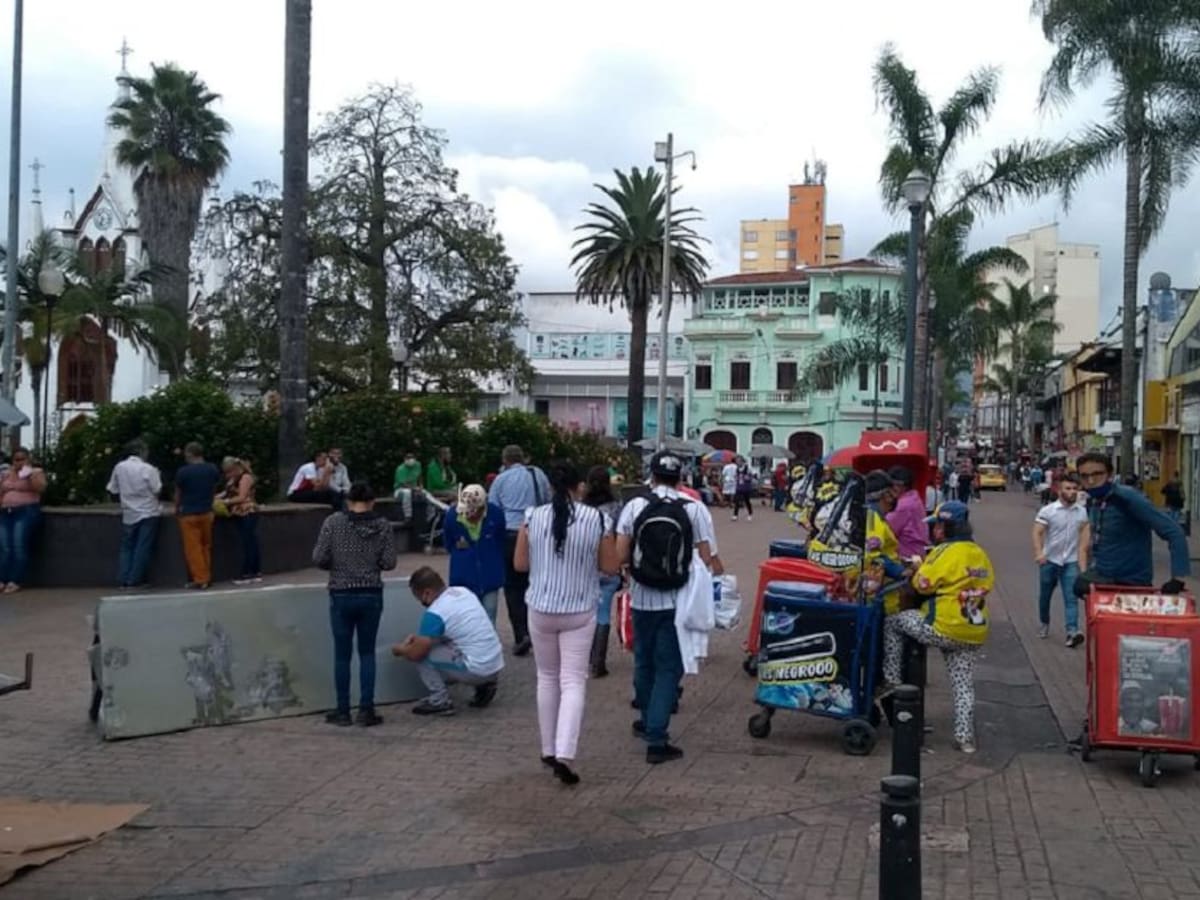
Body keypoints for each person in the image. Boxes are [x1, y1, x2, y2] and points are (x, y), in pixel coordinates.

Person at [514, 461, 619, 785]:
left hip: (540, 607)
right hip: (579, 609)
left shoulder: (532, 517)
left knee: (546, 677)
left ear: (550, 487)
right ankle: (565, 752)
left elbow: (519, 564)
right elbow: (610, 566)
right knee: (573, 680)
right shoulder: (599, 518)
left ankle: (547, 747)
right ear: (581, 486)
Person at [616, 451, 716, 765]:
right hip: (679, 601)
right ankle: (657, 739)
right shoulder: (695, 509)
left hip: (641, 597)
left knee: (644, 661)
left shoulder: (634, 506)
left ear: (653, 476)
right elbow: (707, 556)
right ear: (681, 478)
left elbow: (620, 554)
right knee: (668, 667)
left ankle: (646, 719)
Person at [882, 501, 993, 754]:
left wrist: (919, 566)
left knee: (893, 622)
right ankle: (964, 739)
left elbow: (922, 584)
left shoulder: (944, 552)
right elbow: (988, 582)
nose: (933, 531)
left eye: (936, 526)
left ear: (944, 528)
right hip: (973, 631)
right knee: (963, 684)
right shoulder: (979, 552)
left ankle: (890, 678)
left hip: (942, 626)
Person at [312, 482, 397, 727]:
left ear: (348, 500)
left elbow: (319, 557)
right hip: (371, 594)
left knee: (342, 655)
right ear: (372, 502)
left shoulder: (333, 523)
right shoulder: (383, 526)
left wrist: (338, 565)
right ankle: (366, 710)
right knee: (367, 652)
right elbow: (389, 562)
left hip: (341, 593)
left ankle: (342, 711)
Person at [1074, 452, 1191, 598]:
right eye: (1084, 476)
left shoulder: (1127, 498)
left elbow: (1174, 532)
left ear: (1110, 474)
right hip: (1103, 580)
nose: (1091, 481)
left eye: (1097, 474)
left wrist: (1178, 578)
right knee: (1078, 585)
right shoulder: (1094, 501)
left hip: (1131, 586)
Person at [392, 566, 504, 716]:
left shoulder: (435, 612)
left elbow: (416, 653)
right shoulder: (463, 592)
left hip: (476, 669)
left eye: (419, 598)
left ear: (427, 593)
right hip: (495, 664)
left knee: (423, 655)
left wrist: (399, 649)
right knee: (442, 644)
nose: (421, 603)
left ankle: (440, 701)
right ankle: (485, 685)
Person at [488, 444, 551, 657]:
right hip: (534, 531)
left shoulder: (500, 480)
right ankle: (538, 631)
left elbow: (493, 510)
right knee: (535, 582)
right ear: (522, 458)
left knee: (513, 588)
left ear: (505, 460)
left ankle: (521, 633)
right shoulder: (537, 473)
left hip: (510, 534)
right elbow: (547, 500)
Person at [1032, 473, 1089, 647]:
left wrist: (1083, 567)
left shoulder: (1082, 512)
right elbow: (1037, 532)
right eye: (1068, 488)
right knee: (1045, 596)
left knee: (1071, 598)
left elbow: (1084, 542)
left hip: (1070, 561)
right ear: (1059, 490)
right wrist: (1039, 553)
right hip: (1050, 560)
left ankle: (1072, 632)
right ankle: (1044, 623)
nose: (1072, 492)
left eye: (1074, 489)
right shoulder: (1048, 511)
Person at [443, 484, 507, 623]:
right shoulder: (452, 516)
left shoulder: (496, 515)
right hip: (463, 578)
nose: (468, 514)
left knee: (489, 616)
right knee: (466, 619)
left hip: (490, 576)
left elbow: (501, 540)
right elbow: (448, 544)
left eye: (473, 511)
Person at [583, 465, 623, 678]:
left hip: (584, 565)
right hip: (608, 564)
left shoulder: (581, 507)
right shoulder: (616, 506)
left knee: (585, 611)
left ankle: (584, 655)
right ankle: (598, 661)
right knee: (604, 611)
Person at [106, 440, 163, 589]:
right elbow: (157, 489)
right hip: (148, 511)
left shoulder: (119, 467)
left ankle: (123, 578)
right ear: (142, 452)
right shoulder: (149, 469)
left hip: (128, 512)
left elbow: (113, 489)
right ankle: (134, 580)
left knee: (127, 546)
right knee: (142, 546)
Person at [174, 442, 221, 590]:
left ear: (189, 454)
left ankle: (201, 579)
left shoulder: (183, 472)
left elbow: (178, 493)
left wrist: (176, 509)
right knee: (206, 546)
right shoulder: (212, 469)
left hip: (188, 513)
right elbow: (214, 488)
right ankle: (206, 576)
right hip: (207, 512)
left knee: (193, 549)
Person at [0, 447, 46, 592]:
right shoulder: (6, 474)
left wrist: (28, 474)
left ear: (28, 459)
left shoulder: (35, 472)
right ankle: (2, 578)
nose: (19, 462)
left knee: (18, 544)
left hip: (25, 511)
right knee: (5, 547)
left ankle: (15, 579)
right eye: (16, 459)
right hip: (6, 512)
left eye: (22, 459)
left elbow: (40, 488)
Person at [221, 457, 262, 585]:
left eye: (230, 471)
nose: (228, 475)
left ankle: (249, 571)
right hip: (238, 513)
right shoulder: (233, 479)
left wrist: (225, 502)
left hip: (247, 511)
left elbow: (242, 496)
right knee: (248, 541)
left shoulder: (246, 477)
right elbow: (225, 493)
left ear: (236, 468)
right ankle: (253, 571)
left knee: (249, 541)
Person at [886, 466, 928, 562]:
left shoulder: (902, 506)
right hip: (917, 553)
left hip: (906, 556)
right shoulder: (914, 498)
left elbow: (887, 529)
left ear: (901, 486)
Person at [392, 452, 423, 521]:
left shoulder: (417, 465)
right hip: (400, 490)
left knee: (425, 493)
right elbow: (403, 484)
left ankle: (430, 514)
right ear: (405, 459)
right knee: (407, 493)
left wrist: (421, 486)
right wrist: (414, 489)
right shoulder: (400, 469)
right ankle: (408, 515)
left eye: (412, 458)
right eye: (408, 458)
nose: (410, 460)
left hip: (415, 488)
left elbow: (420, 476)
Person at [731, 456, 755, 522]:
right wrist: (735, 478)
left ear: (742, 461)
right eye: (737, 461)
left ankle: (750, 514)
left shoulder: (747, 468)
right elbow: (735, 476)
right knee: (737, 501)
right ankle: (735, 515)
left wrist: (747, 478)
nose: (738, 462)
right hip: (739, 487)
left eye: (739, 461)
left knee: (747, 501)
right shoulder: (736, 469)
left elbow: (751, 476)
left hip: (746, 487)